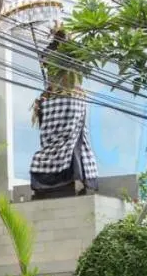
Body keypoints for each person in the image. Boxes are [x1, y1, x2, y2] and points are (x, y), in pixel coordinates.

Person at [29, 27, 99, 199]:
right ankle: (75, 179)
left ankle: (72, 178)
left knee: (69, 139)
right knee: (70, 138)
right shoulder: (68, 52)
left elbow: (46, 64)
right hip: (63, 100)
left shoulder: (68, 52)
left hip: (62, 100)